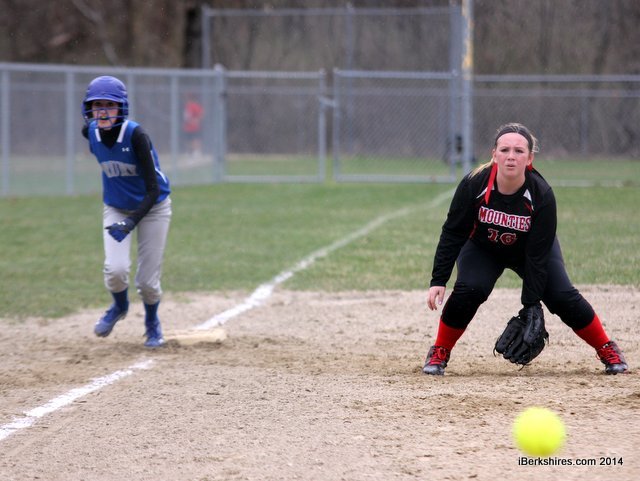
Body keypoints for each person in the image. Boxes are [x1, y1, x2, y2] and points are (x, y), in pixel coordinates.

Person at [422, 123, 628, 376]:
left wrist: (531, 304)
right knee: (469, 289)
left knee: (561, 296)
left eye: (519, 151)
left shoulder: (541, 194)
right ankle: (440, 350)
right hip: (483, 248)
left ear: (529, 158)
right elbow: (454, 232)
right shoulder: (474, 184)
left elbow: (537, 256)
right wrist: (439, 279)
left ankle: (606, 348)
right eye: (505, 150)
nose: (511, 156)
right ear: (494, 154)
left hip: (530, 250)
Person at [82, 75, 172, 348]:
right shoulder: (91, 132)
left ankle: (152, 323)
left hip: (154, 207)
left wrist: (131, 222)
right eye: (97, 105)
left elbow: (153, 190)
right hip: (116, 207)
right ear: (89, 109)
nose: (103, 111)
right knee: (115, 270)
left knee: (147, 282)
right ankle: (120, 307)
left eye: (110, 105)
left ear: (121, 108)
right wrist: (124, 219)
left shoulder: (136, 135)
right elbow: (90, 135)